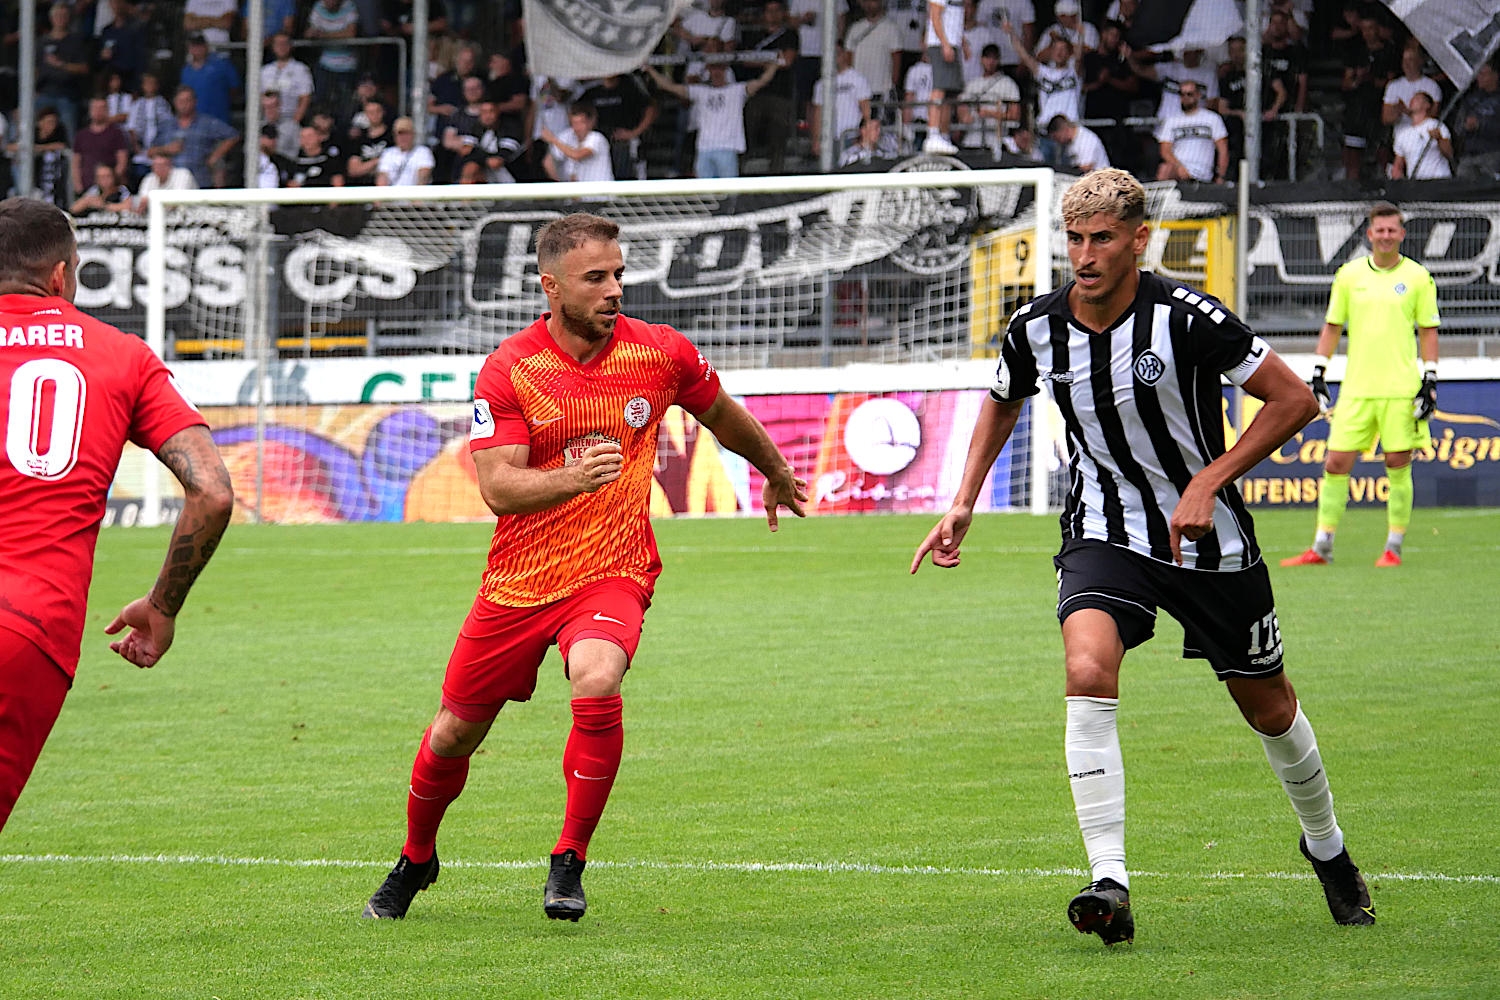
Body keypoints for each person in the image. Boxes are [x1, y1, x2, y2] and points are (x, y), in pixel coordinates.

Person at [911, 168, 1376, 946]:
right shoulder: (1035, 326)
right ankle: (1110, 882)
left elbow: (1296, 400)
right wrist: (963, 499)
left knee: (1269, 707)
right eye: (1074, 239)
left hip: (1209, 540)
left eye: (1101, 239)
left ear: (1138, 240)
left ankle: (1326, 847)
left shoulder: (1187, 318)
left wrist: (1210, 480)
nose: (1085, 255)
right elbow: (1003, 400)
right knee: (1087, 667)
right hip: (1104, 530)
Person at [361, 212, 808, 921]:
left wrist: (775, 469)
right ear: (551, 286)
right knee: (453, 733)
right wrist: (571, 478)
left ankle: (568, 860)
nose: (614, 290)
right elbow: (497, 486)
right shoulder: (511, 368)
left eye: (618, 275)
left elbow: (722, 414)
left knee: (597, 679)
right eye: (595, 278)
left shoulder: (660, 352)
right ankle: (417, 858)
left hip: (613, 566)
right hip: (519, 580)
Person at [0, 196, 234, 833]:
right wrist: (162, 605)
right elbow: (212, 492)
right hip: (27, 628)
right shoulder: (121, 355)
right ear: (60, 276)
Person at [1283, 202, 1439, 569]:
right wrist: (1318, 371)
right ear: (1369, 234)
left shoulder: (1418, 277)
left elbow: (1428, 330)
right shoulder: (1349, 275)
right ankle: (1321, 546)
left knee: (1398, 463)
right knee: (1336, 462)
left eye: (1392, 230)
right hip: (1355, 388)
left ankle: (1393, 547)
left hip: (1401, 389)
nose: (1386, 236)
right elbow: (1332, 326)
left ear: (1402, 234)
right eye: (1379, 230)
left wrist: (1430, 378)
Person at [645, 58, 779, 179]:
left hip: (727, 148)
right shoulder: (700, 91)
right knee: (705, 191)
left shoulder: (738, 90)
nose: (716, 72)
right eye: (713, 68)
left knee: (729, 191)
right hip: (704, 149)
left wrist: (775, 64)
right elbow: (670, 87)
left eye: (719, 68)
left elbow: (762, 81)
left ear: (725, 69)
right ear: (708, 70)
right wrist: (650, 70)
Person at [1154, 80, 1228, 184]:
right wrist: (1179, 166)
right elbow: (1165, 150)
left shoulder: (1212, 118)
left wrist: (1221, 176)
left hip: (1202, 171)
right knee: (1164, 169)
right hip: (1178, 169)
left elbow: (1223, 149)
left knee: (1165, 169)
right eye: (1182, 94)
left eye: (1189, 94)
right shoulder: (1171, 120)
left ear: (1198, 95)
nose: (1185, 97)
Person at [921, 0, 968, 154]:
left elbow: (954, 19)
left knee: (948, 93)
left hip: (953, 44)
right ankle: (933, 134)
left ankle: (943, 135)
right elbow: (935, 15)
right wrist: (945, 44)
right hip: (940, 44)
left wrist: (962, 43)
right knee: (939, 89)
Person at [541, 103, 613, 184]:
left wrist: (553, 140)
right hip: (581, 190)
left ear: (590, 123)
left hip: (602, 190)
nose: (577, 128)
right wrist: (562, 185)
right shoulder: (568, 136)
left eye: (581, 123)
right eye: (574, 123)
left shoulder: (597, 138)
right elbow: (548, 162)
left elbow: (577, 155)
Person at [1390, 91, 1453, 180]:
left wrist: (1439, 139)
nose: (1412, 100)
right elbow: (1398, 165)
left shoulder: (1437, 126)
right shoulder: (1402, 134)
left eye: (1417, 98)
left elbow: (1449, 153)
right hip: (1417, 183)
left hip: (1439, 179)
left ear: (1427, 105)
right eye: (1412, 98)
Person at [1456, 60, 1500, 179]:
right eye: (1478, 74)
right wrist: (1465, 126)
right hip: (1469, 155)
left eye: (1483, 74)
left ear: (1495, 75)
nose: (1479, 77)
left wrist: (1480, 125)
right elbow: (1458, 126)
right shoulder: (1470, 100)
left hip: (1492, 154)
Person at [375, 117, 434, 185]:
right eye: (400, 134)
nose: (403, 137)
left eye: (407, 133)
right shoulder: (388, 153)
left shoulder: (423, 152)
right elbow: (382, 177)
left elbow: (423, 177)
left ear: (413, 134)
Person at [133, 151, 198, 213]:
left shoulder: (183, 174)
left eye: (162, 165)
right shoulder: (149, 178)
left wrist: (151, 201)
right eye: (156, 165)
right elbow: (142, 202)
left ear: (170, 165)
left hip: (192, 216)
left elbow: (177, 201)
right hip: (162, 216)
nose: (158, 168)